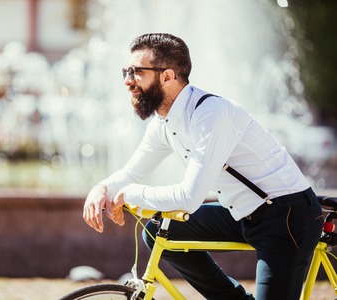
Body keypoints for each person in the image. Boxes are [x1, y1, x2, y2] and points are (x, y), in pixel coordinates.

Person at [83, 33, 323, 300]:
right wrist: (101, 188)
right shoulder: (164, 124)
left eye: (137, 72)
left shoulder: (211, 115)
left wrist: (128, 194)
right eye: (126, 71)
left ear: (168, 76)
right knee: (158, 231)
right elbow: (130, 173)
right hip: (244, 214)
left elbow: (189, 198)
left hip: (286, 215)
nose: (128, 81)